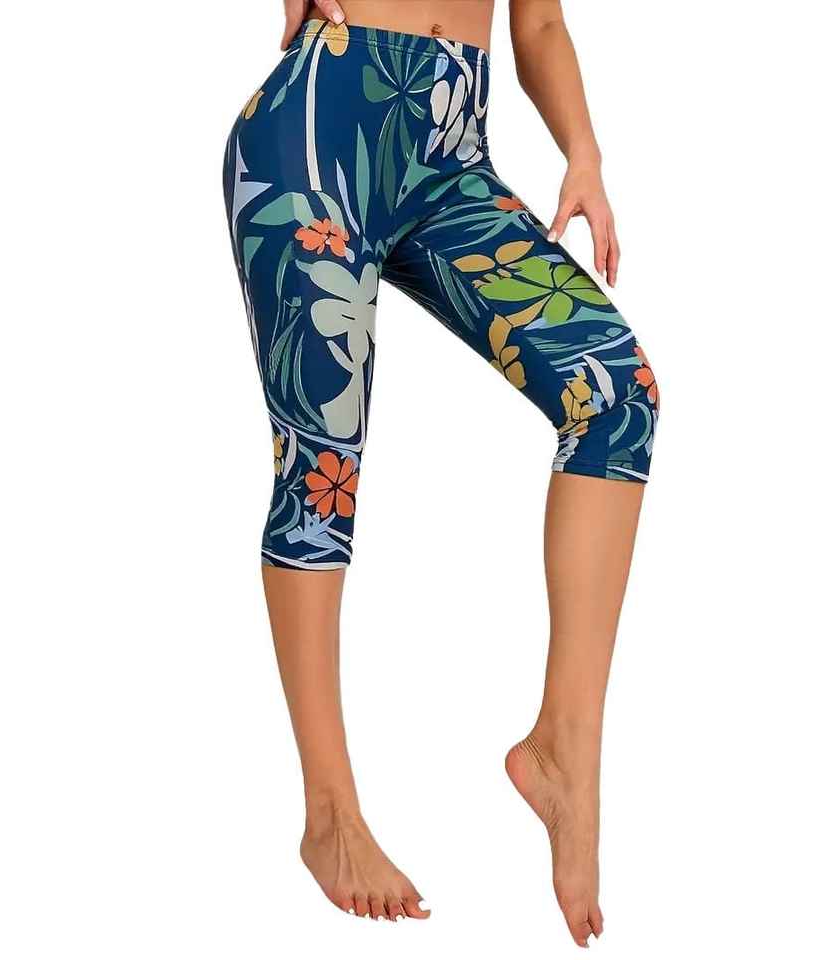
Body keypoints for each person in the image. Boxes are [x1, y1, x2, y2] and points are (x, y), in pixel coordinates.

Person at [222, 0, 658, 947]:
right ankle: (331, 817)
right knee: (322, 464)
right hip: (320, 128)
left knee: (614, 392)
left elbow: (538, 24)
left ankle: (563, 748)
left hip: (450, 148)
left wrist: (583, 151)